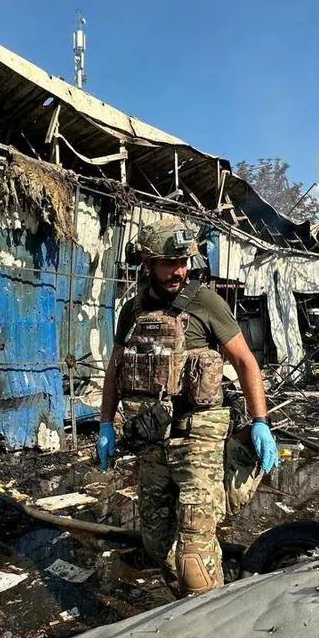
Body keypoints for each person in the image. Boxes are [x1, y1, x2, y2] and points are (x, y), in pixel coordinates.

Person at [99, 218, 279, 596]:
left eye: (183, 262)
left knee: (194, 556)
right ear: (147, 264)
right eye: (168, 263)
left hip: (197, 440)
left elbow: (246, 362)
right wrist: (105, 423)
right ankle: (184, 607)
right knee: (156, 541)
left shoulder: (205, 302)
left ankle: (210, 631)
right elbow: (116, 367)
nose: (178, 271)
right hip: (152, 444)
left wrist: (260, 420)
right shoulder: (131, 311)